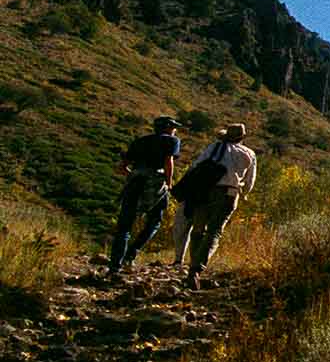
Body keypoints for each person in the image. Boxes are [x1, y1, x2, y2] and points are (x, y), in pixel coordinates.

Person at [181, 122, 257, 290]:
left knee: (198, 229)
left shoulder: (215, 147)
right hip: (229, 193)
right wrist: (243, 195)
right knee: (214, 231)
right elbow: (250, 182)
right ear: (242, 137)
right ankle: (196, 270)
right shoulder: (249, 154)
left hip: (204, 190)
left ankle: (192, 268)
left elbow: (196, 165)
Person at [107, 116, 182, 274]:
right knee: (154, 221)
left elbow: (121, 167)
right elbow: (169, 162)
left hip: (134, 182)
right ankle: (131, 255)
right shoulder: (172, 141)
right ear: (168, 128)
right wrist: (168, 183)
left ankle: (115, 265)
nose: (175, 130)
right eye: (174, 127)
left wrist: (133, 174)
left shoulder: (140, 141)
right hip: (155, 183)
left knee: (125, 225)